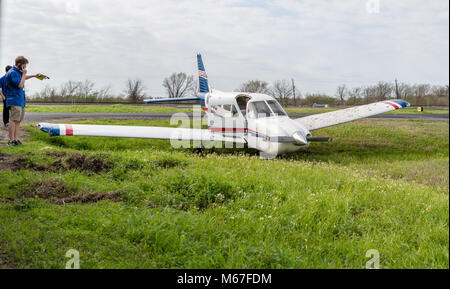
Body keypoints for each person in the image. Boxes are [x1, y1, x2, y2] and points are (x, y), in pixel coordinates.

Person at [4, 56, 41, 146]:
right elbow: (20, 84)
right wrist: (24, 74)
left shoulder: (18, 72)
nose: (25, 68)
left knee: (18, 121)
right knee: (13, 120)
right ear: (19, 64)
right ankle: (11, 140)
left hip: (20, 100)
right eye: (24, 66)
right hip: (14, 99)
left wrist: (34, 76)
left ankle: (16, 139)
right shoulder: (12, 72)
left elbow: (23, 78)